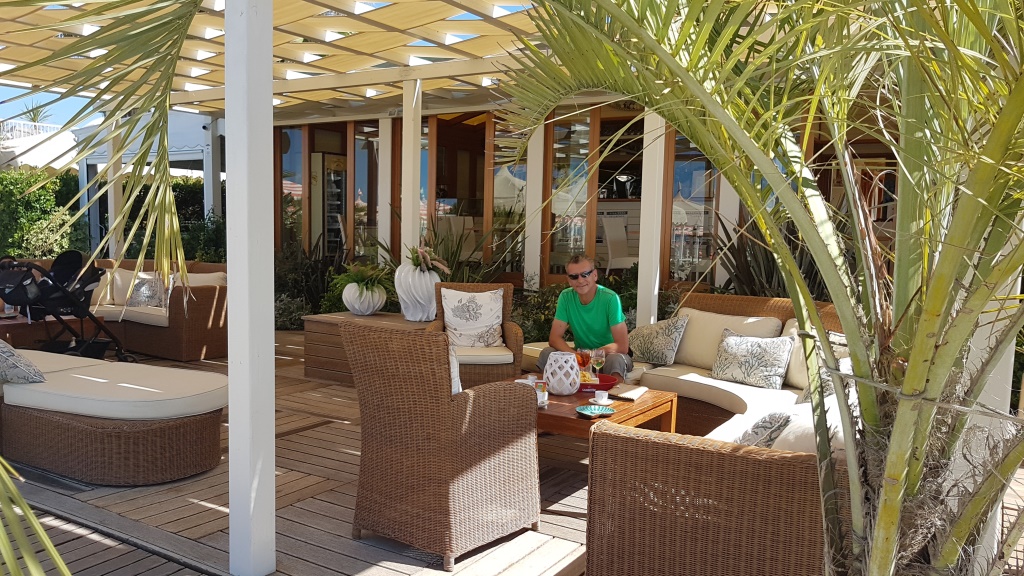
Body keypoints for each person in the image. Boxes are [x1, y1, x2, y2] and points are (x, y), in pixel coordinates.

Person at [536, 254, 633, 377]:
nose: (580, 280)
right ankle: (542, 388)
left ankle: (615, 390)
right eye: (574, 276)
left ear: (595, 275)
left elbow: (622, 346)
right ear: (569, 280)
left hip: (608, 356)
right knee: (548, 353)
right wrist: (576, 356)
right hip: (580, 356)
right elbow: (554, 339)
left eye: (585, 274)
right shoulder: (566, 297)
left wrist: (592, 355)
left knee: (615, 360)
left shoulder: (610, 298)